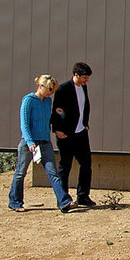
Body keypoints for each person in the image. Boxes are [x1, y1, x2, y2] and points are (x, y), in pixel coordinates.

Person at [9, 75, 75, 213]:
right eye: (49, 89)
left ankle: (64, 201)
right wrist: (30, 141)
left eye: (53, 90)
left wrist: (59, 116)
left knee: (53, 172)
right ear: (41, 86)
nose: (51, 92)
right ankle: (15, 202)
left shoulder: (47, 101)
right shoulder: (28, 101)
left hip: (45, 142)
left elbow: (47, 120)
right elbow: (25, 124)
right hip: (29, 142)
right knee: (21, 172)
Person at [51, 62, 95, 207]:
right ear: (76, 75)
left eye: (87, 78)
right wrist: (57, 129)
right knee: (65, 166)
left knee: (86, 164)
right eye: (84, 77)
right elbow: (56, 110)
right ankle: (63, 199)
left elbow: (84, 108)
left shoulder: (84, 88)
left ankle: (83, 196)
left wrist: (85, 125)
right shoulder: (63, 89)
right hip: (66, 134)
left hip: (81, 133)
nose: (86, 80)